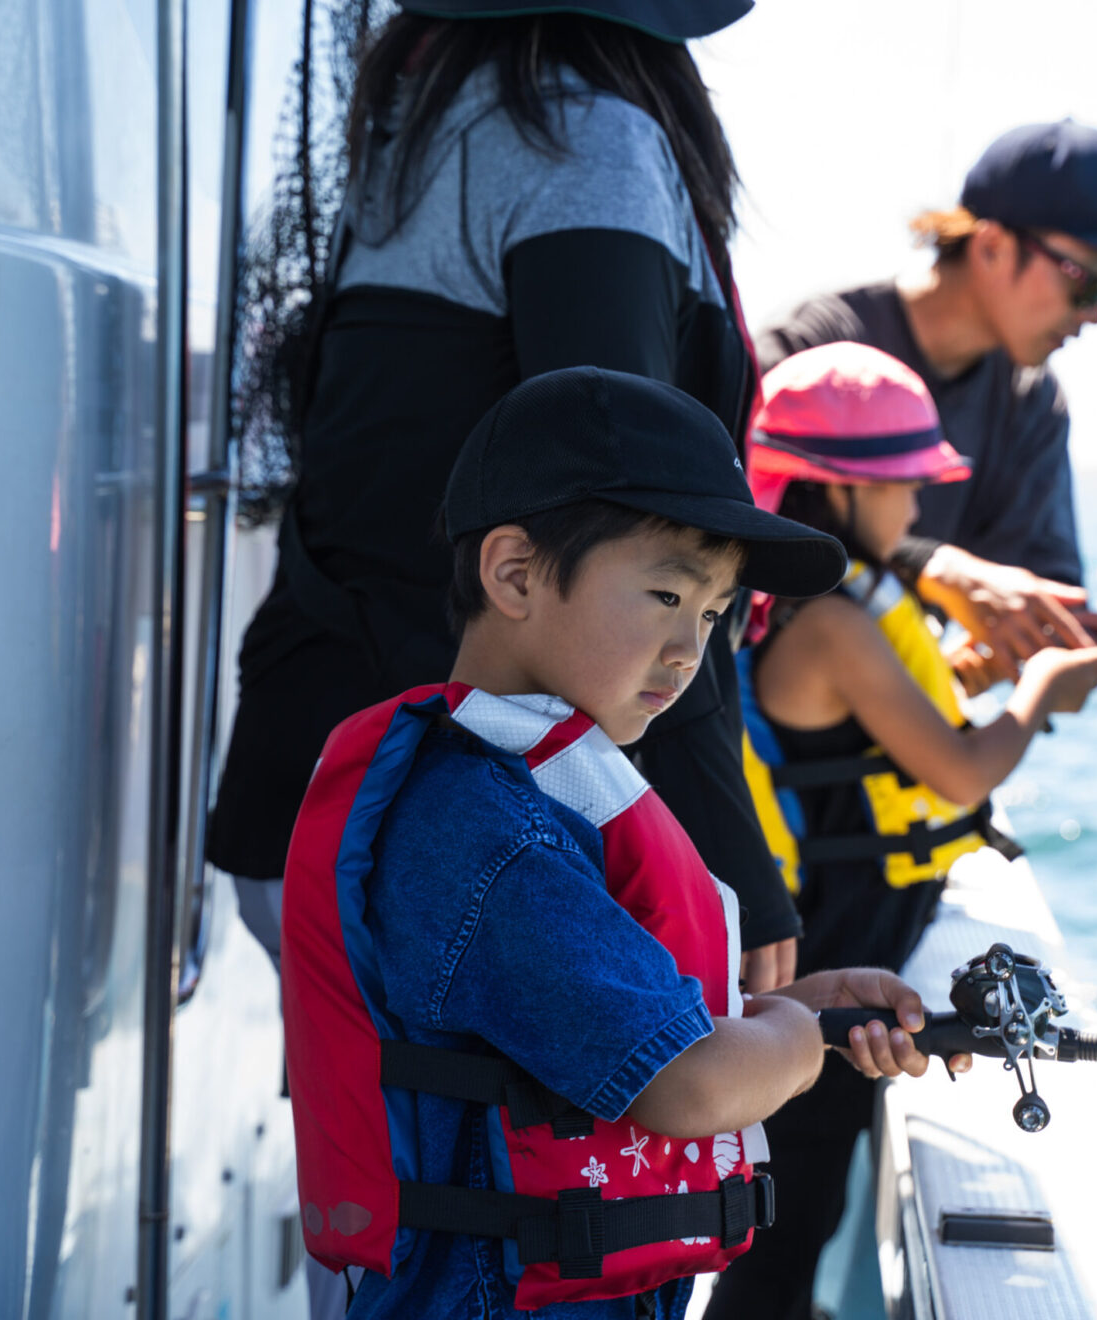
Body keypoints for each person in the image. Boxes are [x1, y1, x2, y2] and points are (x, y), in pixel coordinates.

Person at [282, 366, 964, 1320]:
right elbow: (687, 1086)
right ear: (515, 574)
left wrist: (794, 1008)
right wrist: (797, 1040)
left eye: (714, 614)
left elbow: (613, 1025)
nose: (690, 650)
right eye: (664, 594)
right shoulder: (488, 831)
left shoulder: (526, 792)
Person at [208, 0, 811, 1001]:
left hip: (326, 771)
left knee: (362, 1103)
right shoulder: (581, 133)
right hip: (450, 831)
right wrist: (725, 855)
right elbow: (634, 513)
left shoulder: (429, 124)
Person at [704, 343, 1097, 1320]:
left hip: (839, 921)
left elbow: (879, 728)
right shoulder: (834, 619)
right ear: (840, 487)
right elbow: (963, 770)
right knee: (799, 1192)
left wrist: (982, 676)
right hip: (841, 933)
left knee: (804, 1187)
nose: (918, 506)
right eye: (904, 484)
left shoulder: (816, 604)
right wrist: (1043, 690)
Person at [755, 119, 1097, 689]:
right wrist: (933, 565)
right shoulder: (812, 346)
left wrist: (1055, 644)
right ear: (992, 247)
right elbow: (733, 520)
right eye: (1087, 280)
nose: (1094, 313)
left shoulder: (1033, 403)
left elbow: (1040, 586)